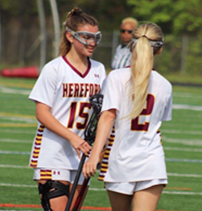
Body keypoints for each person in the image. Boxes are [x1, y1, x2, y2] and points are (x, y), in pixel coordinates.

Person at [83, 22, 172, 211]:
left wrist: (94, 155)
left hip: (120, 160)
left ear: (132, 45)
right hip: (151, 161)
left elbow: (107, 117)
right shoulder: (165, 85)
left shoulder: (116, 77)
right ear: (160, 50)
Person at [28, 7, 106, 211]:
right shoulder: (54, 69)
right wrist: (73, 137)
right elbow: (42, 113)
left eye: (96, 37)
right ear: (70, 36)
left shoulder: (99, 70)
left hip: (83, 154)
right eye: (86, 37)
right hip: (53, 152)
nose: (93, 42)